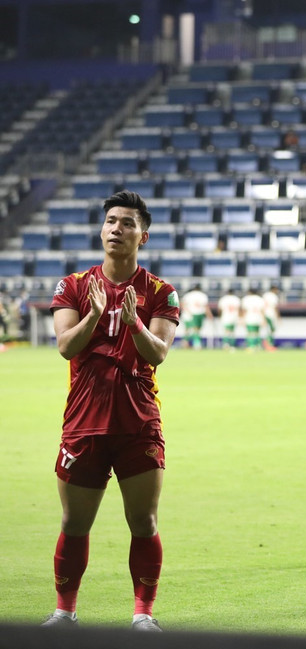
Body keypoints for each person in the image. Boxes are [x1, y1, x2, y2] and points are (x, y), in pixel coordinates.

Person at [43, 190, 179, 631]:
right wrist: (95, 315)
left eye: (126, 223)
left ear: (143, 234)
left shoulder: (161, 292)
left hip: (138, 422)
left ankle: (143, 615)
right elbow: (66, 347)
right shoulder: (74, 286)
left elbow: (157, 353)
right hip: (84, 421)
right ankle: (65, 611)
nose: (116, 229)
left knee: (143, 520)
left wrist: (134, 319)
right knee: (74, 520)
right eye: (110, 221)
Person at [180, 284, 210, 349]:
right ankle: (196, 344)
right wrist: (209, 315)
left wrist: (187, 311)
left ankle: (186, 343)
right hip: (199, 313)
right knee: (196, 329)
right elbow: (206, 306)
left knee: (190, 329)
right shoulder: (203, 295)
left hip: (190, 314)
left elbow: (182, 304)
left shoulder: (188, 295)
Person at [262, 285, 281, 350]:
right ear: (273, 289)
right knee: (271, 330)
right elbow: (275, 307)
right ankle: (269, 344)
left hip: (265, 314)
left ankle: (268, 343)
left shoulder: (265, 295)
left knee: (269, 330)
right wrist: (278, 317)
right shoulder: (273, 296)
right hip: (271, 314)